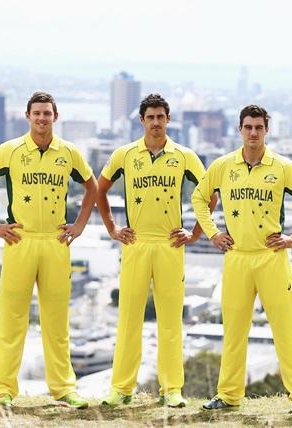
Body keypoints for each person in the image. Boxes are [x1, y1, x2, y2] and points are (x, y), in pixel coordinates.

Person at [192, 105, 292, 413]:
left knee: (286, 328)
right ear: (240, 129)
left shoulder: (283, 166)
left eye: (258, 127)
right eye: (248, 127)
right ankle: (228, 395)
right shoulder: (223, 166)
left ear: (266, 130)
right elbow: (198, 197)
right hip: (236, 258)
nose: (253, 133)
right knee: (233, 330)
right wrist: (212, 234)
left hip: (271, 258)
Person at [0, 91, 97, 410]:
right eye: (37, 113)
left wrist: (79, 225)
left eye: (47, 113)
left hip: (56, 243)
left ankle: (63, 388)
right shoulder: (10, 150)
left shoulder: (69, 152)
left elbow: (92, 186)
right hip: (20, 241)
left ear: (55, 117)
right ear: (28, 116)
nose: (42, 118)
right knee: (12, 318)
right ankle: (2, 387)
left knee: (57, 321)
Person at [96, 93, 211, 408]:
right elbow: (99, 189)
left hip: (169, 245)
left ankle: (171, 388)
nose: (156, 123)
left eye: (161, 117)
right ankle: (121, 388)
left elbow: (208, 194)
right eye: (151, 117)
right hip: (135, 244)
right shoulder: (125, 154)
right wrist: (111, 228)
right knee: (129, 319)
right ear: (142, 120)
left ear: (169, 120)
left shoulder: (185, 156)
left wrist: (196, 232)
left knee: (171, 321)